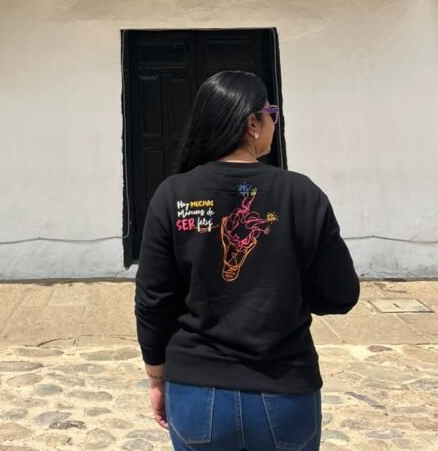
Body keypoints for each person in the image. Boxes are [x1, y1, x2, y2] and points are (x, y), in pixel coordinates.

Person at [134, 70, 359, 451]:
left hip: (196, 393)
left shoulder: (173, 194)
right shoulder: (301, 194)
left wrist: (157, 377)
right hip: (285, 390)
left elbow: (154, 300)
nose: (275, 119)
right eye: (271, 111)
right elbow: (340, 295)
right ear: (252, 123)